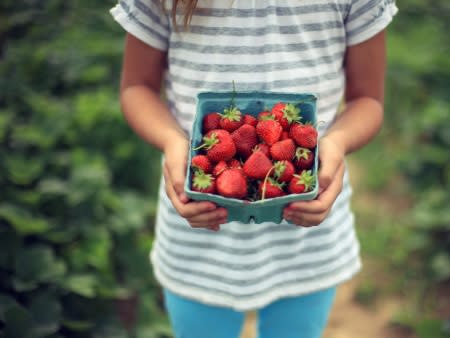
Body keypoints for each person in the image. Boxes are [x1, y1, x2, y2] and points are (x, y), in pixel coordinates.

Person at [110, 0, 397, 337]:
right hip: (198, 231)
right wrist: (175, 143)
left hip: (307, 237)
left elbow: (369, 100)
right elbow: (136, 87)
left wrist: (336, 144)